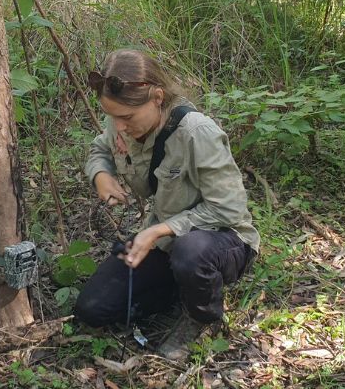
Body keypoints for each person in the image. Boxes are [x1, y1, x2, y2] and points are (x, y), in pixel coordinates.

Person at [73, 49, 260, 361]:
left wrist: (159, 230)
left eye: (126, 118)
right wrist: (101, 174)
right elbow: (100, 148)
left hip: (222, 241)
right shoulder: (121, 120)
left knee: (191, 252)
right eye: (112, 116)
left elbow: (228, 209)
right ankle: (180, 289)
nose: (118, 126)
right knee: (92, 308)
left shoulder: (197, 132)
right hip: (164, 241)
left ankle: (202, 318)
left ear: (157, 97)